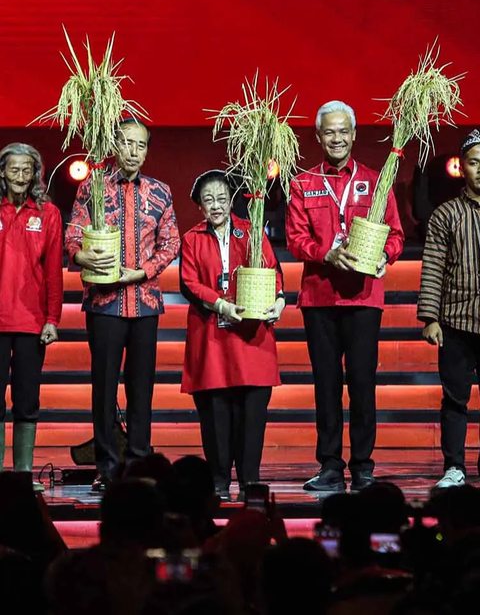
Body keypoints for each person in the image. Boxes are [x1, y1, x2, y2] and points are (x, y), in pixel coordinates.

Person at [286, 101, 404, 493]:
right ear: (318, 137)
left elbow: (396, 234)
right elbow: (295, 237)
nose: (336, 138)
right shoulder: (303, 183)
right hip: (319, 298)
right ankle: (331, 465)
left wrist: (383, 256)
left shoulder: (376, 181)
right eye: (328, 133)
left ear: (354, 135)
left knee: (362, 384)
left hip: (363, 298)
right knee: (326, 384)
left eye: (343, 131)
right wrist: (326, 253)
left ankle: (364, 467)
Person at [65, 118, 180, 491]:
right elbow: (73, 234)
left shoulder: (160, 192)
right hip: (104, 304)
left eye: (141, 145)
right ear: (116, 145)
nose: (134, 151)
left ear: (148, 149)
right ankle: (107, 466)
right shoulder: (92, 188)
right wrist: (82, 258)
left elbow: (171, 244)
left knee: (141, 387)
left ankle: (138, 463)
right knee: (103, 386)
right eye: (128, 143)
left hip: (144, 303)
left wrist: (141, 272)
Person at [179, 170, 285, 500]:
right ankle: (219, 481)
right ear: (199, 205)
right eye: (208, 200)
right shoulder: (192, 238)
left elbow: (273, 271)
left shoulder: (251, 231)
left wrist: (280, 300)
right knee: (215, 415)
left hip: (252, 337)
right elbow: (189, 283)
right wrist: (220, 304)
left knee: (252, 415)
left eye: (222, 198)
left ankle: (250, 482)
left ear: (231, 200)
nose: (216, 205)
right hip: (212, 337)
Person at [418, 129, 480, 489]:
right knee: (455, 400)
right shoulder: (446, 215)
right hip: (456, 323)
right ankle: (454, 466)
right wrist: (430, 317)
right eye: (474, 163)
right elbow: (432, 267)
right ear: (463, 168)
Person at [0, 143, 62, 490]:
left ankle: (23, 474)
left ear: (35, 173)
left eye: (27, 170)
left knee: (26, 399)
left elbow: (54, 270)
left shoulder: (49, 213)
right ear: (2, 172)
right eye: (13, 170)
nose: (20, 176)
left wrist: (52, 318)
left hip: (30, 322)